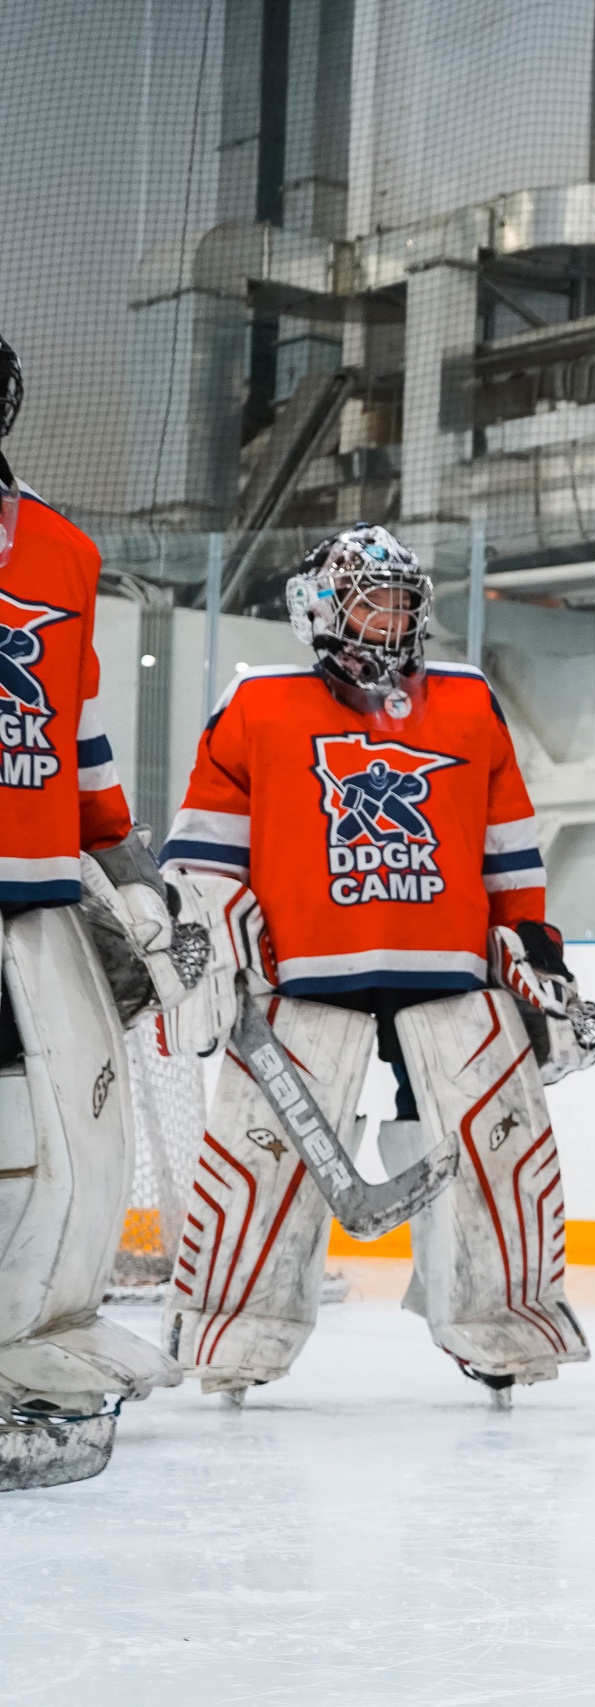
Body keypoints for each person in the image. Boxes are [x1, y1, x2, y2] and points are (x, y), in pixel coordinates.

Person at [159, 525, 595, 1403]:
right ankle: (234, 1329)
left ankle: (500, 1325)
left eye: (402, 600)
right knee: (263, 1156)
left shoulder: (469, 701)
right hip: (304, 978)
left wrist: (532, 944)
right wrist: (218, 933)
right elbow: (204, 852)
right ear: (320, 611)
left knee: (495, 1147)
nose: (390, 618)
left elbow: (509, 847)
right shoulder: (257, 704)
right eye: (369, 599)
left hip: (447, 970)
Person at [0, 332, 204, 1487]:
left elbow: (73, 730)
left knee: (58, 1152)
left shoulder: (64, 551)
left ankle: (20, 1353)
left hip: (30, 911)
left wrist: (131, 869)